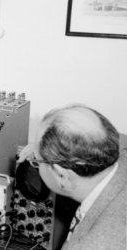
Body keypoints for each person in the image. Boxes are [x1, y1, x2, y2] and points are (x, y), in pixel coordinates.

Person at [17, 104, 126, 250]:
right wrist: (38, 148)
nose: (34, 163)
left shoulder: (92, 244)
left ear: (61, 175)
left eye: (37, 161)